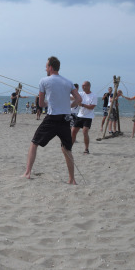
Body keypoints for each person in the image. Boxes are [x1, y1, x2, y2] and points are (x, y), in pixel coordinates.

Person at [22, 56, 82, 185]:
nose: (45, 68)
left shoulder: (44, 81)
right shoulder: (68, 82)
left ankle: (27, 173)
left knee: (34, 143)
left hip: (52, 118)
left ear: (50, 67)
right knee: (67, 149)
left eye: (46, 66)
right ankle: (72, 179)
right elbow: (79, 99)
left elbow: (41, 104)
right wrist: (69, 106)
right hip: (65, 118)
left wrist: (49, 103)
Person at [71, 81, 97, 154]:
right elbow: (73, 98)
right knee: (73, 131)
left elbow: (92, 107)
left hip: (88, 117)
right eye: (82, 86)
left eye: (84, 86)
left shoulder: (93, 95)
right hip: (80, 116)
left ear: (89, 86)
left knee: (85, 132)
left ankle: (86, 149)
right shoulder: (81, 94)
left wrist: (82, 105)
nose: (83, 87)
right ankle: (70, 148)